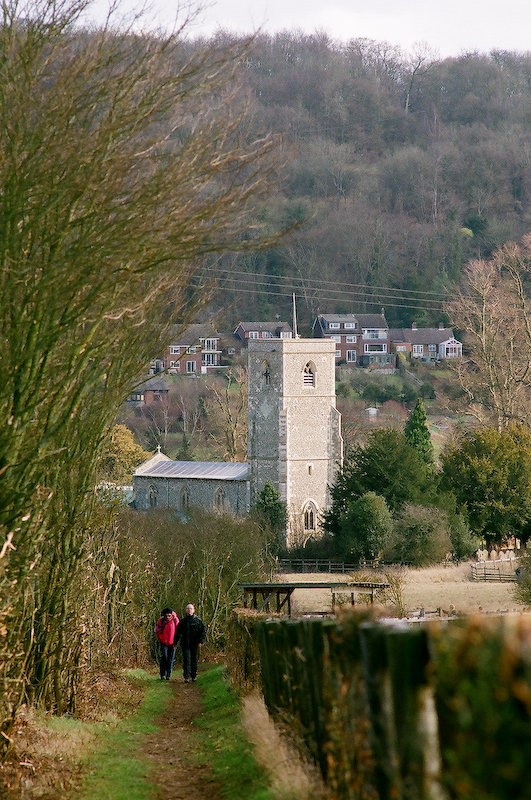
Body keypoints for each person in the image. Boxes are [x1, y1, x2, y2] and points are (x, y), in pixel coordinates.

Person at [175, 603, 206, 683]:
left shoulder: (198, 621)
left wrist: (200, 641)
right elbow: (177, 633)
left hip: (195, 644)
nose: (189, 610)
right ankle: (186, 676)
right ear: (186, 610)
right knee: (186, 660)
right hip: (185, 644)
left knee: (194, 660)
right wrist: (175, 643)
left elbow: (202, 632)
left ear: (194, 610)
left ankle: (194, 675)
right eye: (188, 608)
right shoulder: (183, 621)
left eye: (191, 608)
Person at [155, 607, 179, 680]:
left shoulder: (175, 620)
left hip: (173, 643)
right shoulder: (161, 621)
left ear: (171, 615)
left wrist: (176, 642)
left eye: (169, 615)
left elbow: (178, 632)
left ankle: (168, 674)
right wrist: (161, 638)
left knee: (170, 659)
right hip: (164, 642)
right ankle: (162, 674)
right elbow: (157, 630)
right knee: (164, 657)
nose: (168, 617)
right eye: (166, 616)